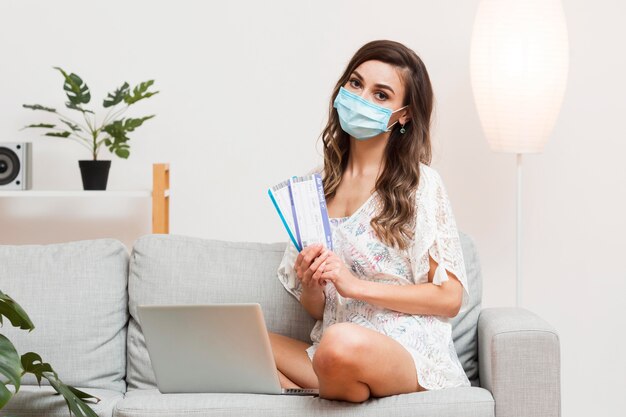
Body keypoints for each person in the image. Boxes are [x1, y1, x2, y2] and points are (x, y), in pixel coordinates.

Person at [270, 39, 471, 403]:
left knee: (338, 342)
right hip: (333, 347)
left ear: (404, 114)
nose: (361, 98)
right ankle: (332, 385)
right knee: (241, 341)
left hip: (404, 350)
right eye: (355, 84)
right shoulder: (312, 188)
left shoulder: (420, 184)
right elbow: (319, 309)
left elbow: (450, 297)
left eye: (381, 95)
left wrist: (354, 285)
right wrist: (312, 282)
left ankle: (325, 382)